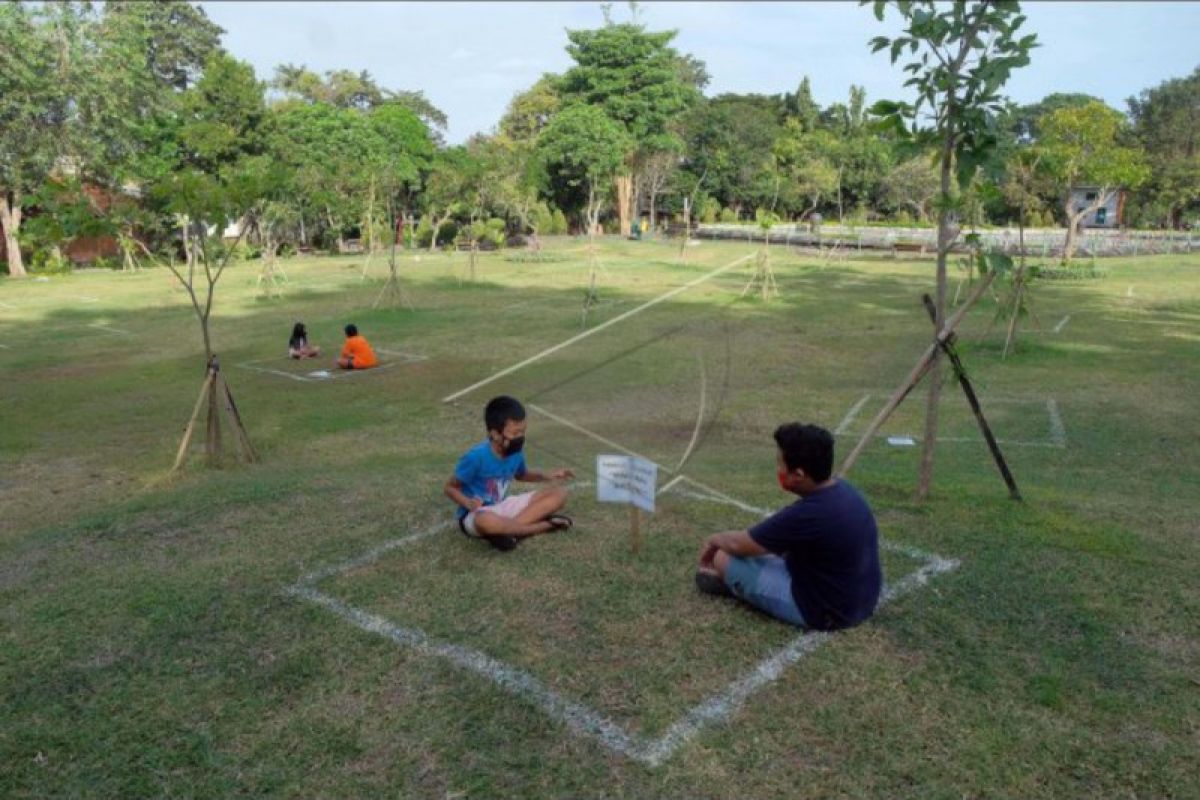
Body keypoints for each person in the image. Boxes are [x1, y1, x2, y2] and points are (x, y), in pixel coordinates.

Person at [695, 423, 882, 631]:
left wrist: (714, 540)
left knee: (723, 557)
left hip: (827, 611)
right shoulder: (843, 489)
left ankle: (733, 585)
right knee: (765, 552)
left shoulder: (807, 514)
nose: (778, 470)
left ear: (799, 475)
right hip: (862, 600)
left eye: (780, 464)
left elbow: (740, 545)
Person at [444, 395, 576, 551]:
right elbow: (450, 488)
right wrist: (468, 503)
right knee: (485, 521)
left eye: (523, 431)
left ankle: (510, 532)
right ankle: (544, 526)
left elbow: (521, 474)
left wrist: (547, 475)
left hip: (503, 506)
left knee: (559, 494)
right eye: (515, 433)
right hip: (477, 513)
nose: (520, 437)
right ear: (495, 434)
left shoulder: (515, 452)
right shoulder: (475, 457)